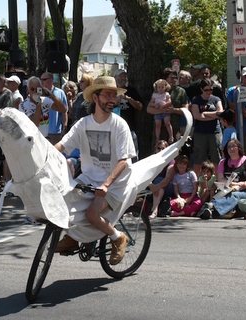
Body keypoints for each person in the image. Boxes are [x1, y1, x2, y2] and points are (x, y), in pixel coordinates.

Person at [53, 76, 136, 266]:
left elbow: (124, 160)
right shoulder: (83, 124)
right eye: (107, 95)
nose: (112, 100)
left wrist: (106, 184)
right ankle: (75, 236)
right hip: (90, 177)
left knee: (91, 213)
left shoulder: (119, 125)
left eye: (114, 96)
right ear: (96, 98)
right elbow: (62, 145)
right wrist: (44, 154)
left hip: (115, 182)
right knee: (63, 200)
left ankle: (118, 237)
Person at [199, 139, 246, 219]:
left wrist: (239, 185)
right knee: (223, 193)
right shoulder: (223, 162)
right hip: (225, 189)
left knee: (234, 195)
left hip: (243, 190)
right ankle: (211, 212)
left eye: (234, 146)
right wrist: (231, 185)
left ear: (239, 148)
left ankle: (212, 206)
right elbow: (220, 179)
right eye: (229, 147)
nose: (231, 149)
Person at [191, 78, 223, 175]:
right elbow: (196, 116)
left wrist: (205, 113)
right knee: (198, 158)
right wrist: (214, 116)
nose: (209, 92)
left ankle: (218, 181)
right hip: (200, 132)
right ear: (201, 89)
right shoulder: (196, 100)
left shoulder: (216, 99)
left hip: (215, 132)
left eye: (211, 89)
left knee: (217, 157)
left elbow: (220, 112)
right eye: (206, 90)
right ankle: (197, 183)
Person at [112, 69, 144, 157]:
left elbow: (140, 106)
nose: (123, 78)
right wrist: (114, 103)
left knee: (133, 154)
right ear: (115, 78)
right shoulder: (110, 92)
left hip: (130, 128)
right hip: (113, 129)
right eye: (121, 76)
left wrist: (128, 98)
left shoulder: (131, 91)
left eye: (124, 76)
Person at [148, 140, 175, 219]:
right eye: (159, 148)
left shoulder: (171, 161)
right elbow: (145, 175)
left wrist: (156, 187)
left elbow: (167, 179)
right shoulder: (151, 160)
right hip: (152, 187)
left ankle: (154, 209)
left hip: (167, 187)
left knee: (159, 179)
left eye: (163, 149)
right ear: (155, 149)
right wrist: (151, 185)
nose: (161, 150)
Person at [40, 72, 69, 144]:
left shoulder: (60, 92)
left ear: (51, 80)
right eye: (41, 79)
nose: (41, 81)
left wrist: (64, 128)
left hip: (55, 132)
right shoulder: (38, 93)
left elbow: (64, 112)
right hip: (41, 131)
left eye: (44, 79)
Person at [148, 79, 174, 144]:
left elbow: (169, 102)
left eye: (162, 87)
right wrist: (154, 105)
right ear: (156, 88)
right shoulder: (155, 95)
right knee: (158, 125)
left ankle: (171, 136)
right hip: (157, 111)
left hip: (165, 111)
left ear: (165, 87)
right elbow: (151, 103)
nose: (160, 89)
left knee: (167, 123)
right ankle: (157, 138)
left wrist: (164, 105)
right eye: (159, 87)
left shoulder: (166, 94)